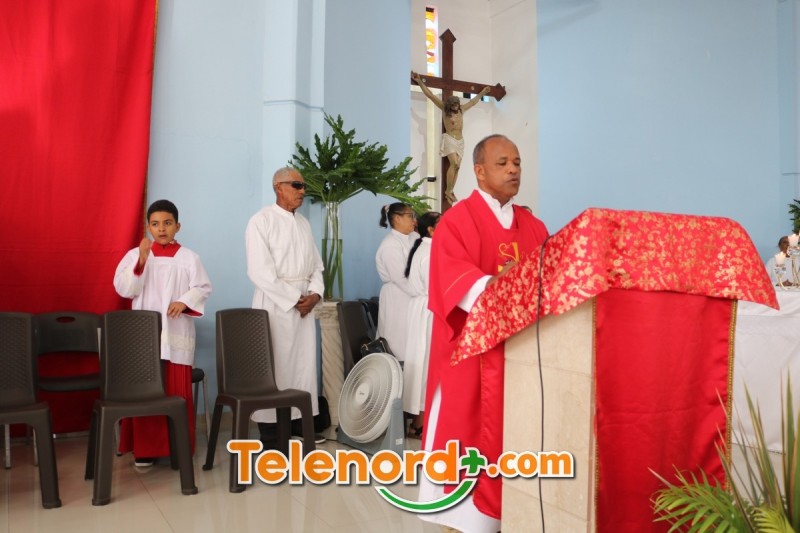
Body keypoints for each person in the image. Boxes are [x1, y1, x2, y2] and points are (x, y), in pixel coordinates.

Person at [419, 135, 549, 532]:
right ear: (478, 171)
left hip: (521, 355)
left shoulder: (534, 226)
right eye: (503, 163)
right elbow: (453, 280)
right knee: (467, 438)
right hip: (469, 355)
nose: (513, 170)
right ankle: (462, 518)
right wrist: (499, 284)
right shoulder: (457, 221)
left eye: (517, 163)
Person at [113, 199, 212, 467]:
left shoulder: (189, 258)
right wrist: (141, 261)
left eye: (167, 223)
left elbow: (202, 287)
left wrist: (184, 301)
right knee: (146, 393)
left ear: (178, 226)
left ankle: (179, 447)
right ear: (148, 227)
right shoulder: (136, 255)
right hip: (144, 334)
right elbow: (124, 288)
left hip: (175, 331)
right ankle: (145, 450)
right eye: (155, 224)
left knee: (175, 391)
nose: (161, 229)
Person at [245, 167, 326, 446]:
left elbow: (317, 266)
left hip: (304, 305)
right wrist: (294, 299)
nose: (302, 191)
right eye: (296, 185)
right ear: (278, 187)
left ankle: (299, 423)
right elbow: (259, 271)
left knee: (303, 366)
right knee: (276, 365)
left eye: (303, 186)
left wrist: (315, 294)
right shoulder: (261, 221)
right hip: (275, 304)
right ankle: (270, 430)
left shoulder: (303, 223)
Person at [412, 71, 492, 205]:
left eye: (457, 104)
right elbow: (430, 95)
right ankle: (448, 190)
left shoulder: (461, 110)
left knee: (457, 167)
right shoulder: (444, 109)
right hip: (450, 139)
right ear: (450, 104)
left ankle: (450, 190)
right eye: (454, 105)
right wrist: (420, 81)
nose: (456, 106)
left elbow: (473, 102)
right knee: (454, 163)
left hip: (460, 141)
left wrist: (483, 92)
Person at [403, 211, 441, 439]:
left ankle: (423, 420)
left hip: (425, 309)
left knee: (427, 364)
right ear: (431, 230)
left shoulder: (427, 249)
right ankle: (420, 422)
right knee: (427, 364)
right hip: (429, 310)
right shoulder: (429, 252)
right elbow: (436, 285)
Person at [375, 203, 418, 363]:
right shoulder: (390, 244)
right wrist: (422, 291)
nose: (414, 220)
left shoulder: (414, 237)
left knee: (413, 341)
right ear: (397, 218)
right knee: (398, 341)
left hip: (412, 297)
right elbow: (400, 277)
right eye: (410, 216)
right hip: (397, 297)